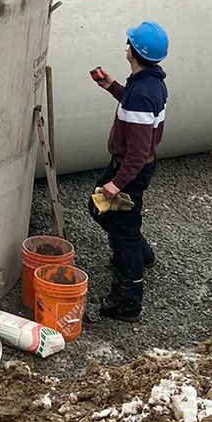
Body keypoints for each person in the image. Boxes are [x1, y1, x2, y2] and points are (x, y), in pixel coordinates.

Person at [84, 20, 169, 322]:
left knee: (123, 232)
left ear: (134, 50)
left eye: (129, 43)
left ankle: (127, 301)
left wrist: (117, 184)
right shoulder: (148, 83)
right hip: (131, 168)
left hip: (130, 170)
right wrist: (113, 87)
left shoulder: (142, 93)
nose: (127, 46)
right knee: (98, 209)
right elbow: (136, 117)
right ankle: (142, 254)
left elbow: (138, 150)